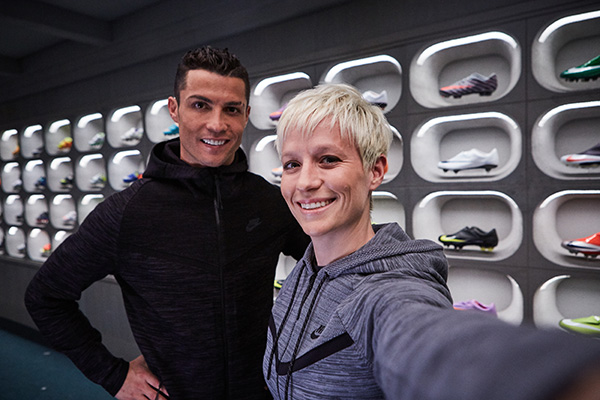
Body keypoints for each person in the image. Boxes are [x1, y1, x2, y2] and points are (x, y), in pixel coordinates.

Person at [262, 83, 600, 400]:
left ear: (375, 171)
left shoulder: (386, 293)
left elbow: (432, 345)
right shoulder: (305, 270)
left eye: (328, 160)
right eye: (292, 164)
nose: (304, 182)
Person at [25, 46, 309, 400]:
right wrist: (113, 375)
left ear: (247, 115)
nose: (217, 124)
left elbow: (333, 262)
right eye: (200, 105)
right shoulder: (127, 213)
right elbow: (45, 297)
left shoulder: (269, 202)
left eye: (231, 109)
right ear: (174, 109)